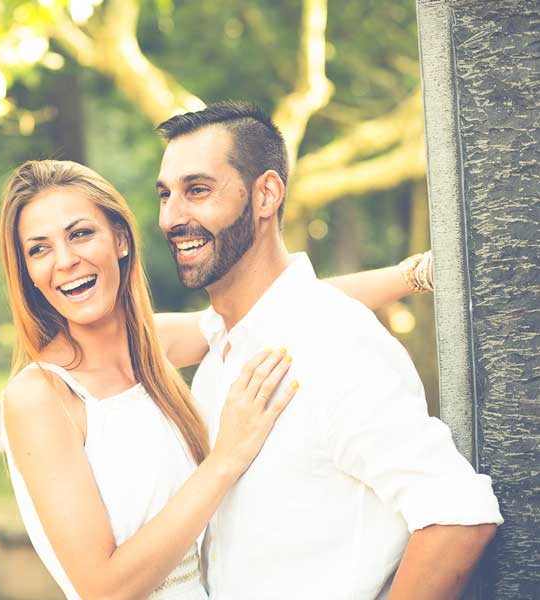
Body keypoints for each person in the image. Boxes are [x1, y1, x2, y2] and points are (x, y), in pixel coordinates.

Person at [0, 159, 433, 599]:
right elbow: (103, 588)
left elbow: (282, 305)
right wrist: (226, 458)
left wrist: (415, 274)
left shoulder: (151, 348)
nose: (66, 260)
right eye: (39, 249)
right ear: (28, 273)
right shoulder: (40, 396)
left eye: (80, 234)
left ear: (121, 240)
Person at [154, 101, 503, 599]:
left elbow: (458, 515)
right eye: (165, 195)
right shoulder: (219, 357)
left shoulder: (333, 342)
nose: (172, 217)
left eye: (198, 191)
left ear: (266, 195)